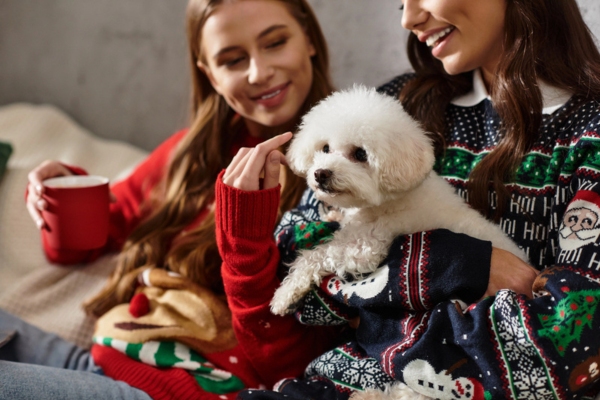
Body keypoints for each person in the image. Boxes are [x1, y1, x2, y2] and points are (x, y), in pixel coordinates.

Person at [235, 0, 600, 399]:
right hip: (333, 382)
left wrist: (371, 311)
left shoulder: (590, 132)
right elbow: (299, 251)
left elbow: (569, 338)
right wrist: (452, 262)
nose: (409, 19)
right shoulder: (396, 103)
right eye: (401, 3)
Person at [3, 0, 341, 399]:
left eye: (275, 43)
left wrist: (246, 242)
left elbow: (296, 370)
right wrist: (57, 196)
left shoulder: (340, 172)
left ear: (309, 40)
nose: (258, 72)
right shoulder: (189, 154)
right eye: (232, 60)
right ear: (209, 74)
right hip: (105, 359)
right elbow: (85, 243)